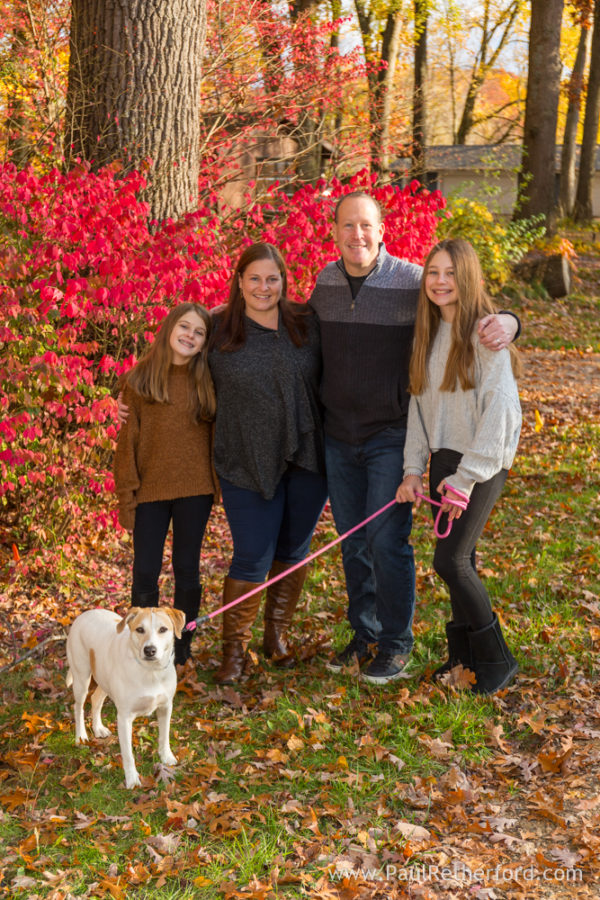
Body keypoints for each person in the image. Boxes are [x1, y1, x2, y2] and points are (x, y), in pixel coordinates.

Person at [309, 191, 520, 685]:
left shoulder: (414, 284)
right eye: (347, 225)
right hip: (346, 438)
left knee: (404, 547)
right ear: (334, 230)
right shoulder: (327, 284)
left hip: (403, 440)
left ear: (382, 230)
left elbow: (479, 326)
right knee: (356, 544)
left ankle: (404, 645)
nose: (357, 234)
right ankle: (375, 637)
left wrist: (512, 321)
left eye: (366, 225)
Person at [395, 238, 521, 695]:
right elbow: (419, 409)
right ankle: (462, 660)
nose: (440, 282)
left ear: (466, 278)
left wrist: (466, 478)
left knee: (451, 560)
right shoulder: (427, 334)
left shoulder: (487, 335)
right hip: (443, 460)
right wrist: (413, 469)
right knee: (458, 561)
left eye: (450, 273)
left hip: (480, 463)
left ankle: (496, 659)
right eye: (433, 273)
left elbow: (503, 410)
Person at [209, 242, 328, 684]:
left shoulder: (307, 324)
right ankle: (234, 653)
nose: (263, 287)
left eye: (272, 278)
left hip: (307, 456)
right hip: (243, 458)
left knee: (293, 551)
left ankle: (275, 636)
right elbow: (170, 363)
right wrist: (131, 400)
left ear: (284, 280)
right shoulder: (217, 329)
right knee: (251, 557)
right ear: (239, 281)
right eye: (254, 278)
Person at [113, 303, 218, 667]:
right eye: (184, 327)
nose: (189, 335)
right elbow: (127, 446)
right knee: (145, 569)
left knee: (186, 567)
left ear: (206, 342)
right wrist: (127, 496)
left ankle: (180, 646)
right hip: (150, 492)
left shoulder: (208, 380)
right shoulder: (140, 379)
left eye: (199, 332)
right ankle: (140, 646)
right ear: (169, 329)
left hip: (196, 488)